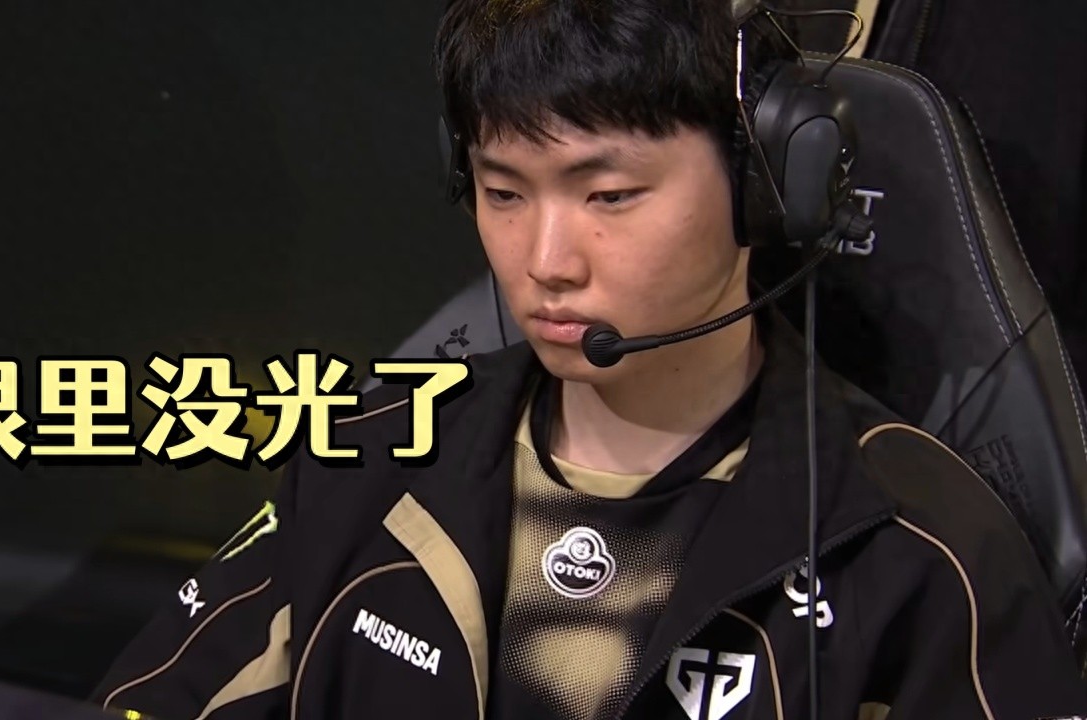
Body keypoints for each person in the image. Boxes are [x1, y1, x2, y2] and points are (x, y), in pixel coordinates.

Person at [91, 0, 1087, 718]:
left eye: (609, 196)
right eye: (503, 192)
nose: (545, 263)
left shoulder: (916, 549)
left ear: (762, 184)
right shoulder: (371, 455)